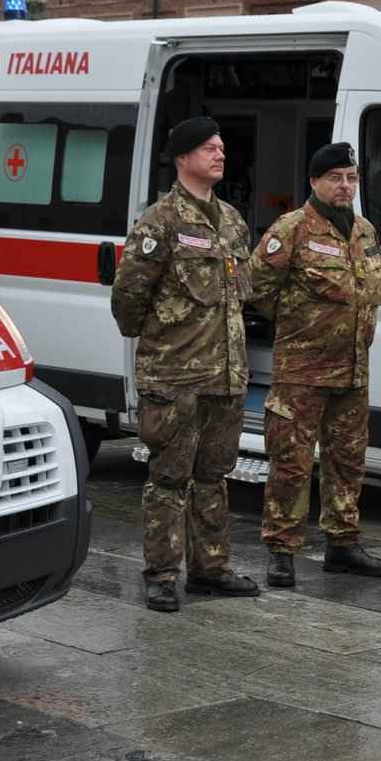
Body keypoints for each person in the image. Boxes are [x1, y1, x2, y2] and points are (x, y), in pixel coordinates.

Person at [111, 117, 261, 612]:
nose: (220, 154)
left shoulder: (233, 221)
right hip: (174, 376)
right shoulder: (160, 221)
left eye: (222, 147)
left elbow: (245, 292)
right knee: (168, 478)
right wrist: (161, 344)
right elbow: (128, 297)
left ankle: (209, 568)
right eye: (209, 148)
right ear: (182, 158)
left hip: (224, 375)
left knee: (215, 476)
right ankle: (161, 575)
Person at [251, 143, 381, 587]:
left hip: (353, 371)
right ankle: (282, 550)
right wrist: (298, 324)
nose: (345, 186)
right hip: (302, 372)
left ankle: (342, 545)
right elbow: (256, 287)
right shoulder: (292, 229)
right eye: (335, 178)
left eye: (351, 177)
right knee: (291, 465)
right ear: (314, 182)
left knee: (347, 461)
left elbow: (370, 291)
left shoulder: (364, 231)